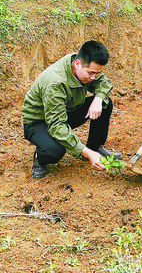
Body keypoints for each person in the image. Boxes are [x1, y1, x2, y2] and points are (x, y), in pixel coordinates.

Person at [22, 40, 122, 179]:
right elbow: (56, 125)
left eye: (97, 73)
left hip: (65, 111)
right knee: (55, 150)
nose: (94, 77)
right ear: (77, 64)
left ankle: (95, 147)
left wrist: (98, 99)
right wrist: (84, 152)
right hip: (40, 121)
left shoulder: (83, 64)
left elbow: (103, 83)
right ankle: (40, 157)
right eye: (91, 73)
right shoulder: (55, 82)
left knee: (105, 103)